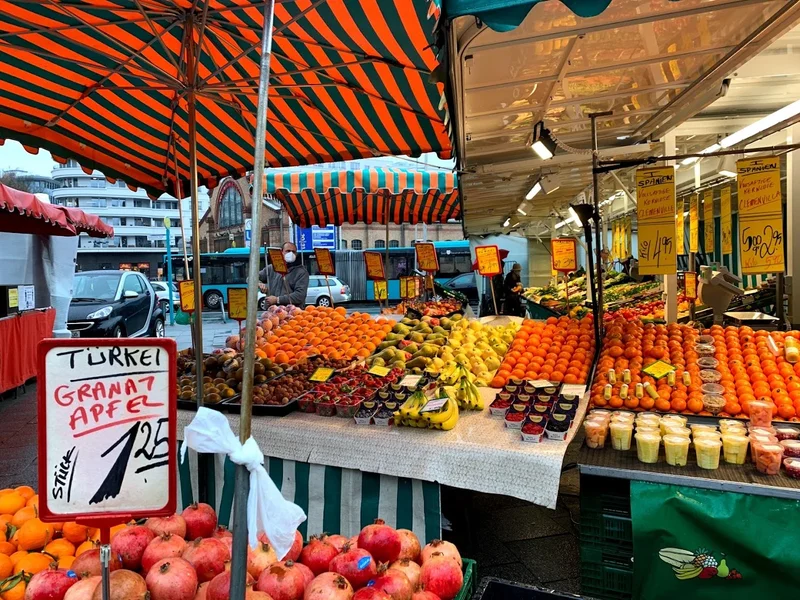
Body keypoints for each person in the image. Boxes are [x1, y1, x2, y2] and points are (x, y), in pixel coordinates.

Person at [258, 241, 309, 306]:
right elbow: (251, 278)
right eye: (288, 251)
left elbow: (300, 295)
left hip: (292, 312)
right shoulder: (272, 268)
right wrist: (259, 284)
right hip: (272, 311)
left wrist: (277, 299)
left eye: (293, 252)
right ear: (282, 252)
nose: (291, 253)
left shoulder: (301, 272)